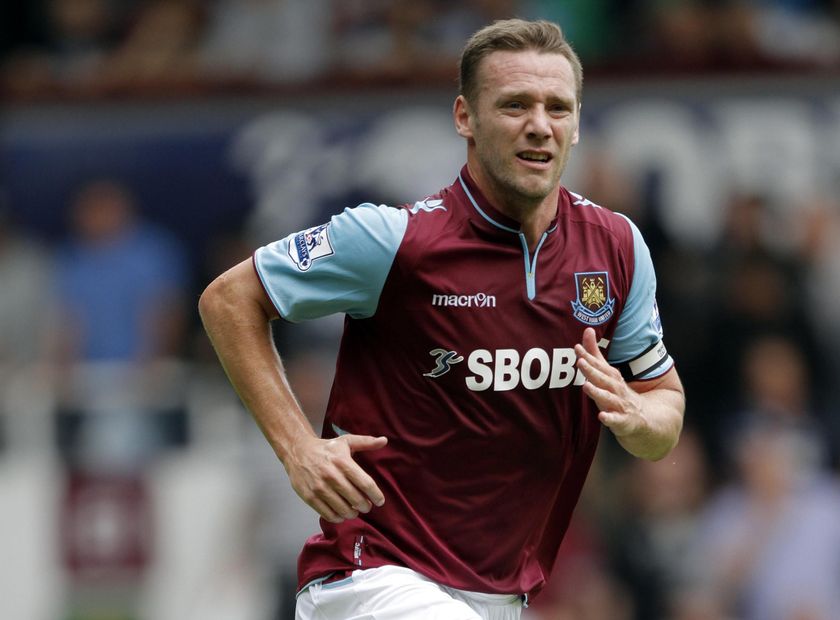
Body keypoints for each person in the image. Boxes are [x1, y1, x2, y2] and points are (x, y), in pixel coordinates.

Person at [199, 18, 685, 620]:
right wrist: (298, 447)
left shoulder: (616, 247)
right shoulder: (395, 239)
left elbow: (663, 407)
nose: (539, 124)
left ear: (577, 123)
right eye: (514, 105)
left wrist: (637, 417)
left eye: (558, 107)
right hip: (373, 579)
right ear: (465, 118)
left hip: (502, 597)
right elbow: (228, 299)